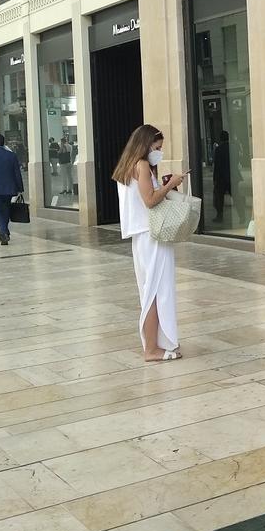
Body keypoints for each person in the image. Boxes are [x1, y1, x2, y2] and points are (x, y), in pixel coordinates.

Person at [112, 124, 185, 362]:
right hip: (152, 235)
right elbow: (150, 200)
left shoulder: (128, 166)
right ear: (145, 145)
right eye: (157, 147)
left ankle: (155, 343)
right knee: (155, 291)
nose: (159, 152)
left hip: (142, 236)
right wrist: (170, 185)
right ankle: (152, 348)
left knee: (150, 290)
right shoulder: (142, 166)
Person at [212, 130, 232, 222]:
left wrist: (215, 178)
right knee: (236, 195)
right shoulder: (232, 148)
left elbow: (217, 165)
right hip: (231, 175)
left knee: (219, 198)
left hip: (221, 177)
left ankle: (220, 216)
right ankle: (242, 215)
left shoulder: (219, 149)